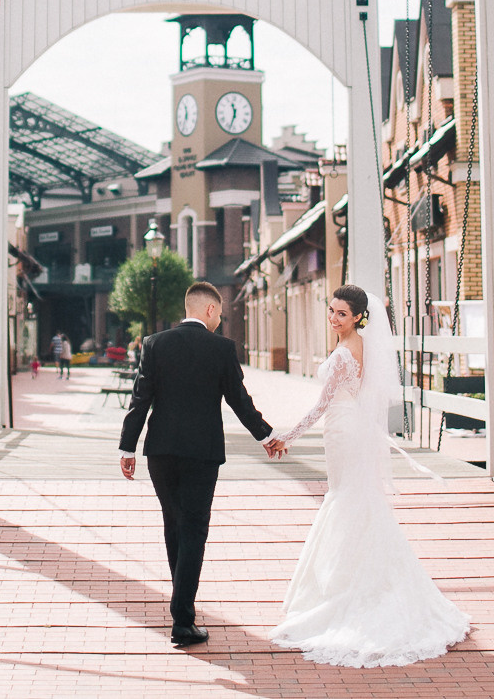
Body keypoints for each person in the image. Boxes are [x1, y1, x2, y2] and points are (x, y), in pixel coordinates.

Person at [264, 284, 469, 667]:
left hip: (343, 430)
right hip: (350, 428)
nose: (334, 318)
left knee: (346, 501)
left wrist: (285, 437)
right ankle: (366, 579)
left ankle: (349, 590)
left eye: (342, 314)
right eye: (332, 311)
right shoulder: (364, 346)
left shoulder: (344, 354)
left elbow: (320, 405)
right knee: (354, 501)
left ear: (358, 316)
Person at [117, 281, 278, 647]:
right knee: (194, 529)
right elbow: (239, 400)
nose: (220, 320)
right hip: (201, 454)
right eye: (219, 313)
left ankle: (181, 608)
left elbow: (139, 398)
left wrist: (128, 448)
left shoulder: (154, 344)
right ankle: (182, 621)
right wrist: (266, 436)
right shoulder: (221, 349)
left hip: (159, 452)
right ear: (208, 311)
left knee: (174, 526)